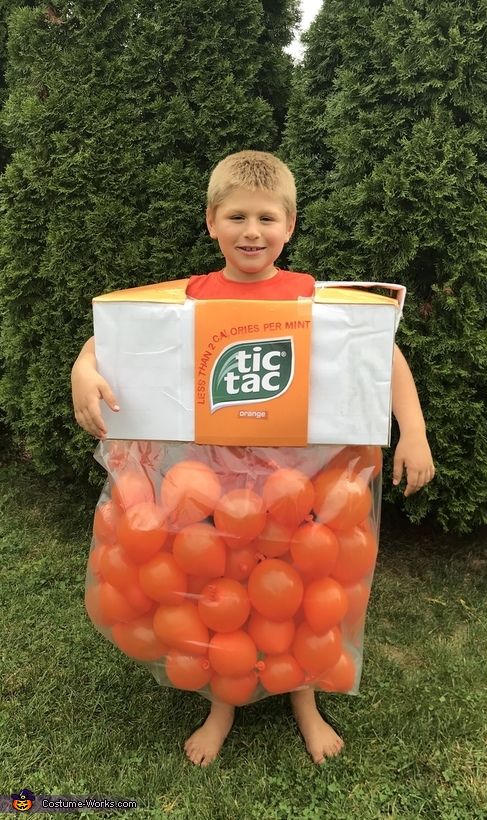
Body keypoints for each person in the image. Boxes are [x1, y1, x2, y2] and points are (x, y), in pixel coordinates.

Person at [72, 150, 435, 767]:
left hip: (302, 482)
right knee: (223, 583)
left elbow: (383, 356)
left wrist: (414, 429)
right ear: (211, 221)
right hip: (211, 481)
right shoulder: (188, 297)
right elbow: (117, 340)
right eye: (236, 217)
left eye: (266, 218)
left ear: (289, 226)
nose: (251, 231)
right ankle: (223, 705)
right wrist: (85, 369)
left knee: (306, 588)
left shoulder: (313, 297)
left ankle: (305, 702)